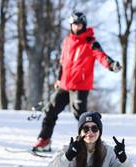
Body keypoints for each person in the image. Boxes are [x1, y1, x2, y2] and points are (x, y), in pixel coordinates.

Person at [32, 11, 122, 152]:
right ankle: (44, 140)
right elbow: (63, 62)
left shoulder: (91, 42)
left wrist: (111, 65)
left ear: (84, 25)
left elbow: (101, 56)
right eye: (74, 24)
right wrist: (58, 78)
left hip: (80, 86)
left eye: (79, 24)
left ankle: (90, 145)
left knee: (82, 117)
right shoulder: (67, 41)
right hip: (64, 85)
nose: (77, 27)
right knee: (50, 111)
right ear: (71, 25)